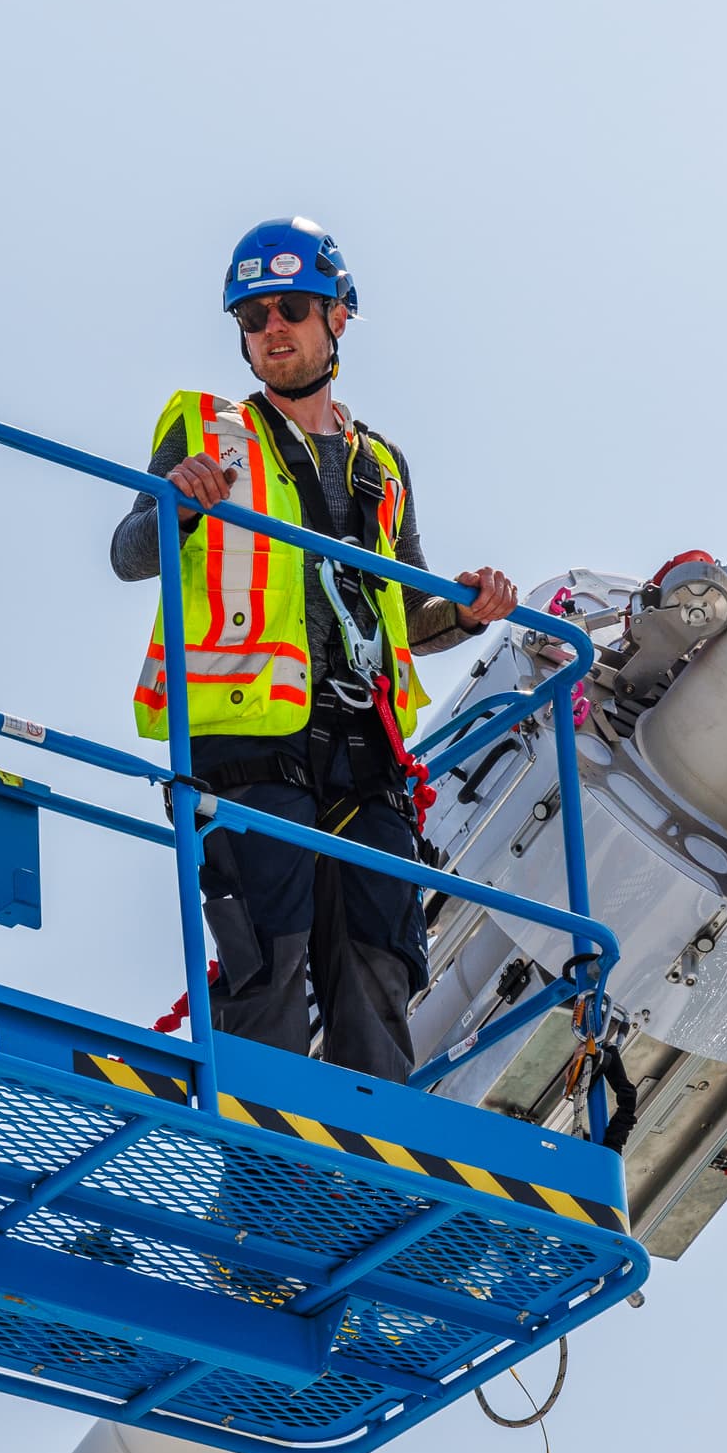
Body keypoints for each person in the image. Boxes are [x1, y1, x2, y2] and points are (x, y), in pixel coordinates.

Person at [113, 217, 517, 1079]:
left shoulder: (383, 466)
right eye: (252, 317)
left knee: (377, 971)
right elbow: (127, 551)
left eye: (291, 306)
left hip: (366, 756)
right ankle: (260, 1193)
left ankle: (369, 1194)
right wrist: (175, 502)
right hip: (248, 747)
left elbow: (406, 614)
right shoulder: (206, 431)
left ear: (339, 314)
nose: (272, 330)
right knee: (267, 968)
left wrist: (472, 610)